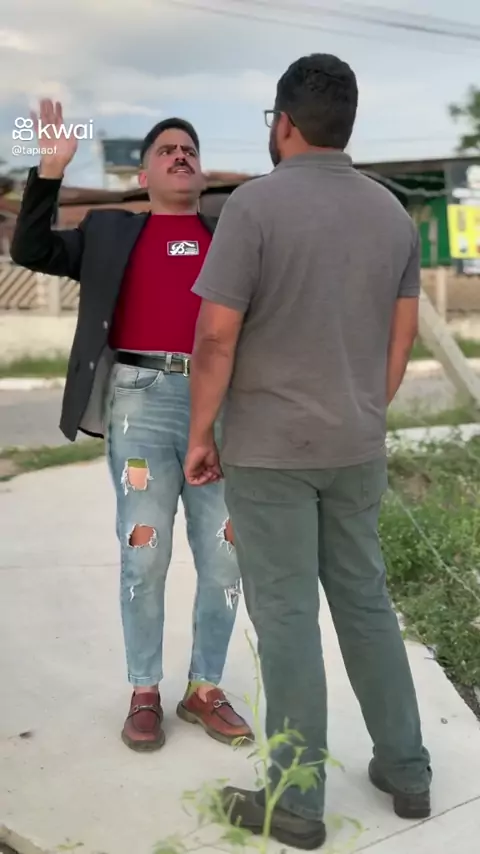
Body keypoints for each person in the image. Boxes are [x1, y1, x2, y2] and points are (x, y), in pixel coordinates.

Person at [184, 53, 431, 850]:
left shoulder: (253, 207)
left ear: (284, 123)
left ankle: (295, 800)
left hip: (270, 451)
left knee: (287, 616)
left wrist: (200, 433)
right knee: (366, 603)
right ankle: (407, 769)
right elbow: (401, 338)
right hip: (356, 446)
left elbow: (216, 337)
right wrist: (362, 414)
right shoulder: (392, 215)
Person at [11, 100, 252, 753]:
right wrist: (50, 172)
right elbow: (30, 248)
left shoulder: (231, 235)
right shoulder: (110, 232)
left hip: (218, 406)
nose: (180, 156)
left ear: (202, 174)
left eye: (189, 150)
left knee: (226, 554)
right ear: (143, 176)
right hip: (139, 402)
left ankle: (205, 688)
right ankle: (144, 690)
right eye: (166, 151)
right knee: (144, 552)